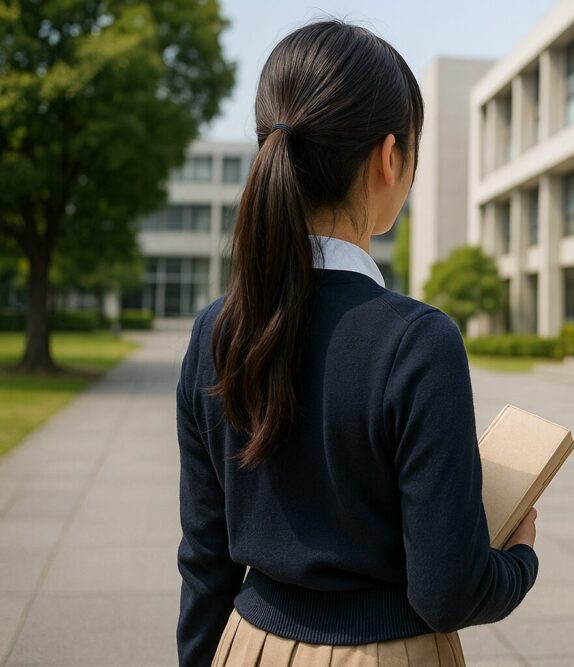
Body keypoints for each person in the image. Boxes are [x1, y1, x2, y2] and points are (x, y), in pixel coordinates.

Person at [174, 17, 540, 667]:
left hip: (246, 648)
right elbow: (447, 590)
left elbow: (205, 561)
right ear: (390, 157)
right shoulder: (420, 342)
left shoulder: (214, 329)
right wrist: (517, 559)